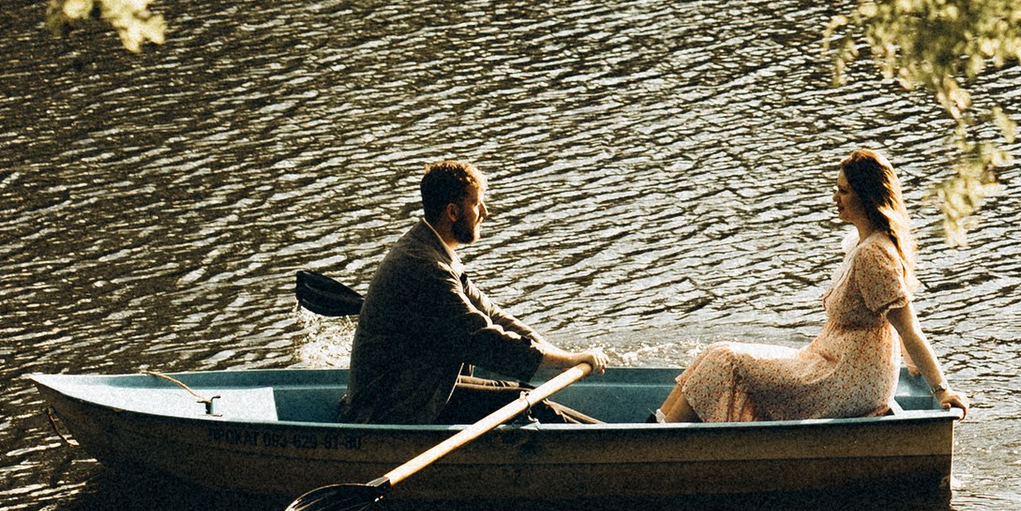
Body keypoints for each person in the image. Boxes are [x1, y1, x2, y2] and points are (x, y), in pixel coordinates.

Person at [657, 148, 968, 424]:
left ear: (866, 197)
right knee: (715, 353)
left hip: (847, 381)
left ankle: (659, 443)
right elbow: (885, 314)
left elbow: (907, 327)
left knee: (724, 360)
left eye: (843, 191)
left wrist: (942, 390)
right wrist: (910, 361)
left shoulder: (874, 255)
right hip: (829, 364)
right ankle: (657, 427)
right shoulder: (861, 244)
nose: (835, 198)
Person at [338, 160, 604, 428]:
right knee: (524, 403)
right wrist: (562, 360)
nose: (484, 212)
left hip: (419, 387)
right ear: (453, 212)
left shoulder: (432, 249)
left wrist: (557, 356)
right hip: (391, 409)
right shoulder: (424, 266)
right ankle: (614, 442)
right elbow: (482, 338)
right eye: (477, 204)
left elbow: (492, 315)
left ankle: (609, 435)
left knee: (522, 392)